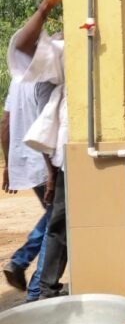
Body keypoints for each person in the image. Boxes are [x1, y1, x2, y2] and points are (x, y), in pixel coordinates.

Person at [11, 0, 68, 299]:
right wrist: (45, 7)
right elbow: (23, 46)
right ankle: (41, 290)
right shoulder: (60, 54)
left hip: (53, 157)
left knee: (58, 219)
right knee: (58, 221)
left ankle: (36, 279)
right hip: (59, 154)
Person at [2, 78, 55, 301]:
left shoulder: (17, 82)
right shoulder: (44, 81)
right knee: (57, 225)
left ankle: (20, 262)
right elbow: (45, 128)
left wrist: (9, 164)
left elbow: (5, 124)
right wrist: (51, 172)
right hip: (44, 165)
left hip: (26, 163)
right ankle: (37, 288)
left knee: (54, 217)